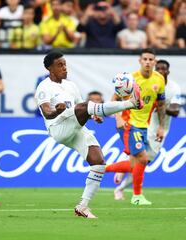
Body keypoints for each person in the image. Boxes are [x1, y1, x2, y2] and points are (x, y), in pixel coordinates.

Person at [35, 50, 143, 218]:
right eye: (60, 65)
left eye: (65, 64)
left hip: (75, 127)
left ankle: (83, 207)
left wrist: (94, 115)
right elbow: (47, 112)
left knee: (98, 162)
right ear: (50, 68)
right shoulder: (44, 87)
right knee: (85, 106)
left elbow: (82, 108)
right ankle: (131, 103)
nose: (64, 68)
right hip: (58, 127)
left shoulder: (71, 85)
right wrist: (57, 110)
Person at [113, 59, 181, 200]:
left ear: (168, 71)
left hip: (161, 129)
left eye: (164, 69)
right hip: (144, 124)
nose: (161, 71)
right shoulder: (146, 82)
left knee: (144, 162)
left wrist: (160, 106)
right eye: (159, 69)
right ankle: (121, 176)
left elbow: (175, 111)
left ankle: (120, 185)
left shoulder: (174, 88)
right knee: (140, 157)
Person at [105, 48, 166, 205]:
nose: (147, 62)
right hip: (128, 123)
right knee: (143, 159)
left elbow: (160, 105)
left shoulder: (159, 80)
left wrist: (161, 126)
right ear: (140, 61)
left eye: (150, 59)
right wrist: (117, 117)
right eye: (144, 59)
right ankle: (137, 196)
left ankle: (101, 168)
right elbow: (114, 98)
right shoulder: (131, 78)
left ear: (155, 61)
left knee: (135, 164)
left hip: (143, 125)